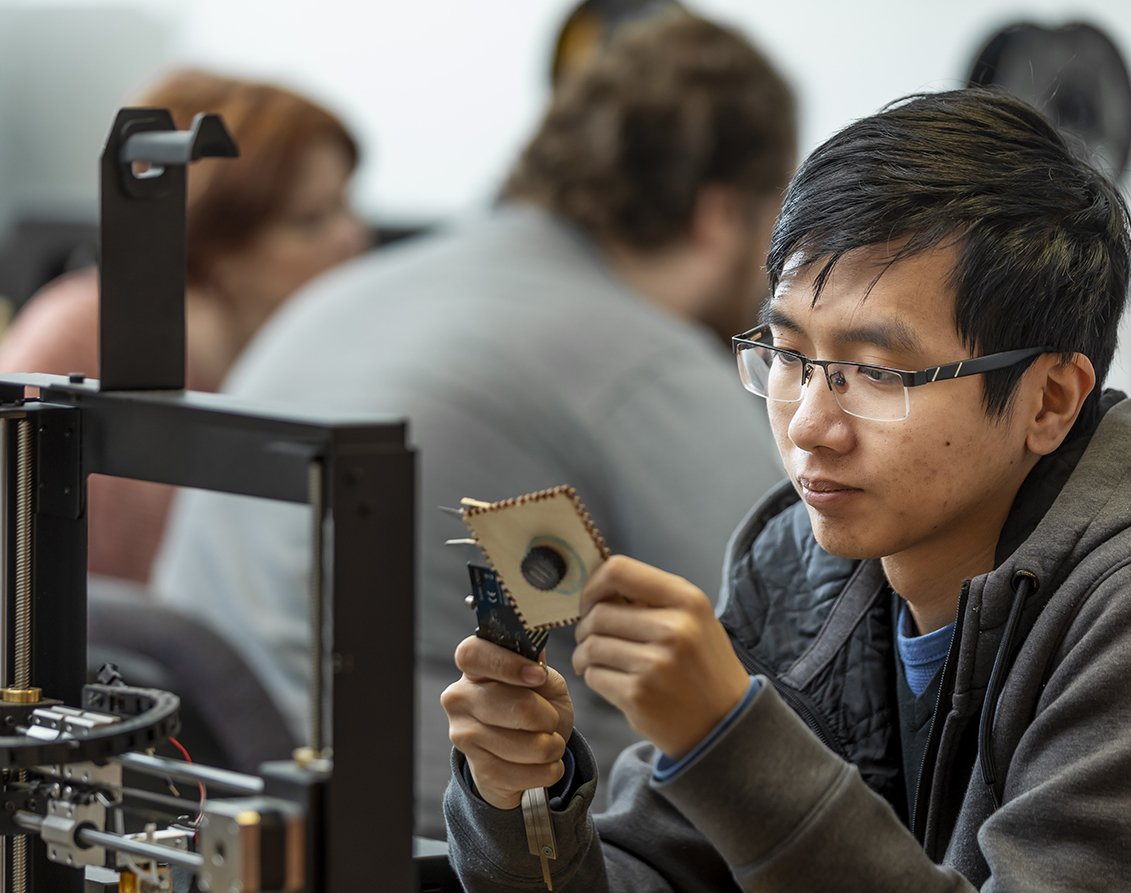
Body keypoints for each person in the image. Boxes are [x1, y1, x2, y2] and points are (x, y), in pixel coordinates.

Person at [441, 88, 1131, 893]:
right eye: (786, 354)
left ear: (1049, 400)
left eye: (879, 372)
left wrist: (729, 738)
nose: (810, 424)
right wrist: (523, 800)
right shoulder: (798, 561)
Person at [151, 12, 795, 839]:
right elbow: (810, 646)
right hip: (427, 847)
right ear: (720, 214)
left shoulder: (353, 293)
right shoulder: (639, 360)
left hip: (224, 810)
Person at [0, 69, 366, 893]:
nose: (353, 240)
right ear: (216, 241)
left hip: (140, 773)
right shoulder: (88, 332)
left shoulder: (284, 362)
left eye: (347, 207)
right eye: (312, 220)